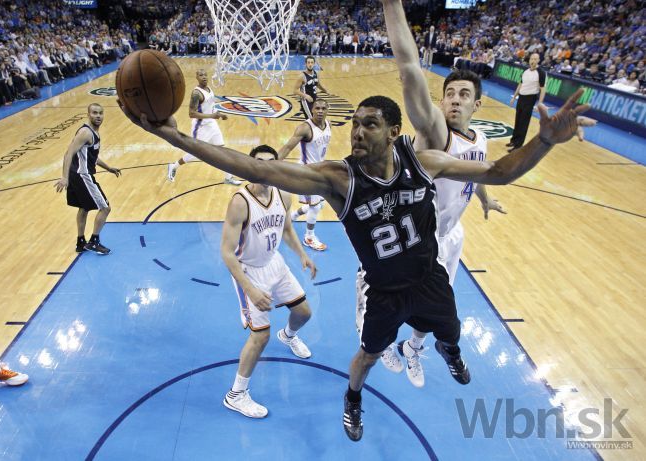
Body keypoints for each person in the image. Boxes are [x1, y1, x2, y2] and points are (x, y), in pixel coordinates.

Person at [119, 83, 594, 441]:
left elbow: (498, 172)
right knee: (365, 357)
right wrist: (176, 138)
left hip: (429, 279)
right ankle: (352, 398)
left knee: (452, 332)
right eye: (355, 123)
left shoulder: (424, 161)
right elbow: (255, 168)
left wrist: (545, 141)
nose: (358, 131)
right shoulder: (337, 179)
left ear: (393, 131)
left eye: (369, 124)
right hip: (383, 291)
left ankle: (449, 351)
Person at [377, 0, 508, 388]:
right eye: (449, 92)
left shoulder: (479, 136)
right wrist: (392, 5)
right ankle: (383, 342)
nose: (454, 99)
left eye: (463, 95)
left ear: (477, 104)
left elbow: (475, 168)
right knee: (395, 305)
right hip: (414, 239)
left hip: (449, 235)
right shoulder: (436, 132)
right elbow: (408, 70)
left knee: (437, 306)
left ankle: (413, 349)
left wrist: (485, 198)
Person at [221, 145, 317, 418]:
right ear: (249, 166)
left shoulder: (282, 193)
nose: (264, 168)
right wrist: (250, 289)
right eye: (258, 163)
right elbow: (227, 253)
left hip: (274, 263)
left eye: (269, 163)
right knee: (259, 336)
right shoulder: (240, 201)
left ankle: (287, 336)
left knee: (303, 312)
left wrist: (302, 255)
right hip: (248, 271)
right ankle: (236, 395)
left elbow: (285, 228)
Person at [55, 103, 121, 254]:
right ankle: (94, 241)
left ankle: (80, 242)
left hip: (77, 174)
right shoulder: (86, 133)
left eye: (100, 113)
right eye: (94, 113)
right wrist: (64, 177)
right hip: (82, 175)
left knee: (84, 208)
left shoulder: (94, 133)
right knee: (105, 208)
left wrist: (109, 168)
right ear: (88, 114)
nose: (98, 116)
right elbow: (68, 153)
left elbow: (93, 157)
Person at [167, 69, 240, 185]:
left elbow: (210, 106)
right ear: (196, 77)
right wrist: (212, 115)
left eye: (205, 74)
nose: (204, 77)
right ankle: (173, 166)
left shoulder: (209, 89)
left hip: (212, 124)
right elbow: (191, 113)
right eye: (201, 75)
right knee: (196, 154)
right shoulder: (196, 94)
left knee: (222, 150)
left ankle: (228, 178)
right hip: (200, 127)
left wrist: (219, 115)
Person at [277, 99, 332, 251]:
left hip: (320, 171)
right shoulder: (305, 128)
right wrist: (271, 165)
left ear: (327, 110)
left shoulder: (328, 124)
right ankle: (309, 237)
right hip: (307, 173)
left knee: (319, 204)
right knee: (315, 206)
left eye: (323, 108)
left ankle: (292, 216)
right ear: (311, 110)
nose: (320, 111)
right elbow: (287, 147)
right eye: (317, 108)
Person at [508, 53, 547, 151]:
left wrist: (540, 104)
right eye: (531, 59)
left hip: (530, 99)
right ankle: (513, 140)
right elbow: (520, 84)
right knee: (518, 120)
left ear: (538, 60)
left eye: (535, 59)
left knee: (524, 123)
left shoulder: (541, 73)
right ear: (529, 60)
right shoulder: (525, 71)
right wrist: (514, 97)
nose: (533, 61)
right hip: (521, 98)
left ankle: (518, 146)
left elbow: (543, 89)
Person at [293, 56, 329, 120]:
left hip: (314, 99)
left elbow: (318, 84)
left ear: (314, 64)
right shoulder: (302, 76)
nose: (310, 64)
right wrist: (306, 96)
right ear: (306, 64)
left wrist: (325, 90)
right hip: (306, 101)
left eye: (312, 62)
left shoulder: (316, 73)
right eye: (308, 62)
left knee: (316, 119)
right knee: (311, 120)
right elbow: (295, 91)